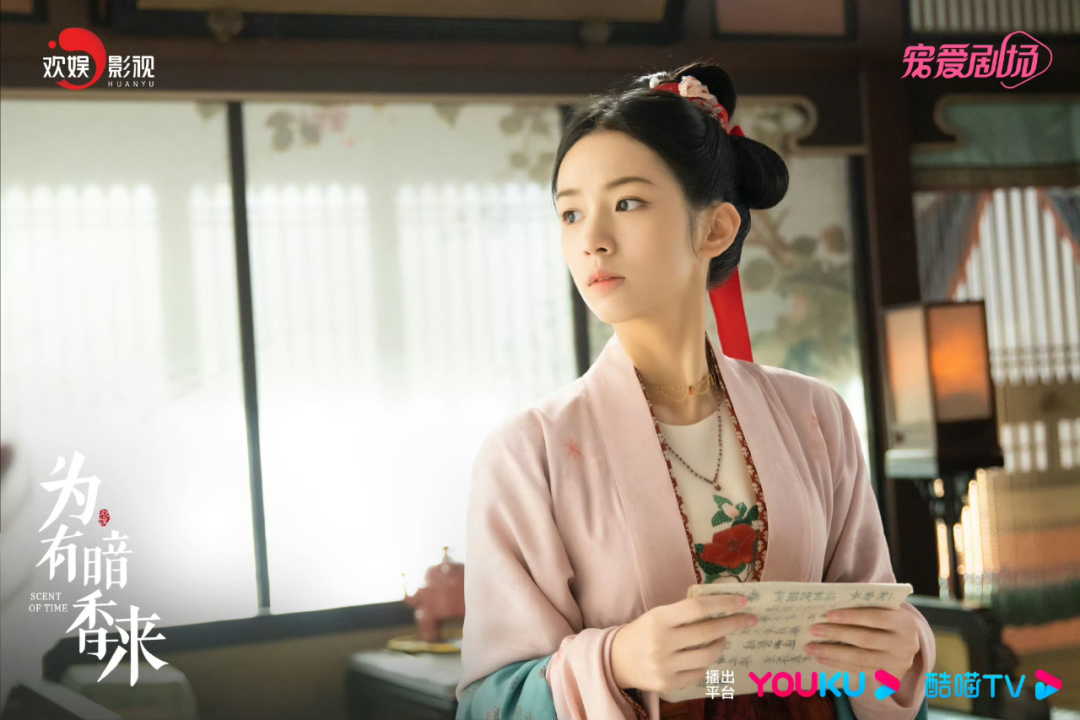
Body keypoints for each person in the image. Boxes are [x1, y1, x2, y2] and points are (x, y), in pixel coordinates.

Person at [454, 62, 934, 720]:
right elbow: (490, 701)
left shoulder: (814, 415)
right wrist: (617, 662)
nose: (592, 240)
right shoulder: (528, 452)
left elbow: (872, 628)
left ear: (716, 229)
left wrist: (901, 648)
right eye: (570, 213)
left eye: (627, 203)